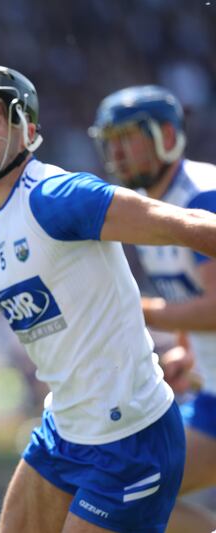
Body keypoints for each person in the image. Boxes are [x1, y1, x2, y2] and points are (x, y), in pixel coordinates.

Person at [0, 65, 216, 533]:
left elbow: (186, 226)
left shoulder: (61, 197)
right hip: (63, 431)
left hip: (133, 435)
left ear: (27, 129)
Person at [90, 85, 216, 533]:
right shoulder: (155, 206)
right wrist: (186, 350)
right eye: (109, 140)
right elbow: (189, 293)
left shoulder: (202, 197)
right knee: (121, 493)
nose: (116, 152)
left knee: (121, 492)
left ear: (166, 135)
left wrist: (137, 309)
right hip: (210, 394)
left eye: (127, 137)